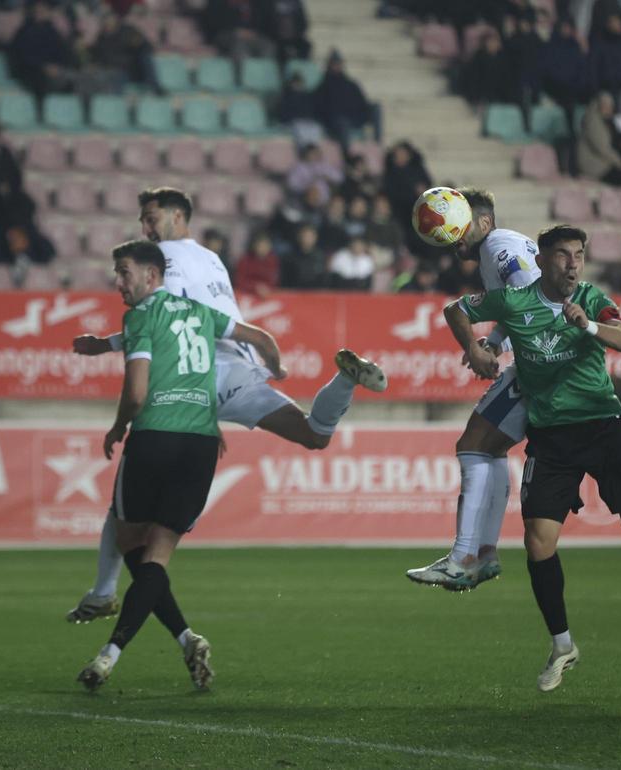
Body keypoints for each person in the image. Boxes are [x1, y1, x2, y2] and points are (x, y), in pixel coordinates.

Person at [66, 188, 387, 623]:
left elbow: (168, 319)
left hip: (195, 378)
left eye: (150, 217)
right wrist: (271, 362)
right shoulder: (211, 257)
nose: (145, 228)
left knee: (125, 504)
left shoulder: (164, 259)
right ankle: (345, 380)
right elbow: (229, 320)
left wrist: (103, 344)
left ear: (177, 216)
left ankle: (104, 592)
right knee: (314, 434)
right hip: (240, 371)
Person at [446, 225, 621, 691]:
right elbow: (455, 309)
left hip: (604, 428)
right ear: (541, 261)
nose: (571, 264)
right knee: (538, 543)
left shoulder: (590, 297)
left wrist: (586, 324)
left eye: (578, 255)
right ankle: (563, 645)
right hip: (551, 437)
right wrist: (474, 346)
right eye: (562, 255)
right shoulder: (514, 301)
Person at [77, 239, 287, 691]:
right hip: (200, 445)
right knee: (158, 557)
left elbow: (135, 393)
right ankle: (180, 641)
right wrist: (277, 371)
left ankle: (111, 638)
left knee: (128, 538)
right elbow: (261, 338)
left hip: (154, 438)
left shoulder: (139, 316)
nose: (119, 282)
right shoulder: (201, 314)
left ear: (152, 275)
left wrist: (117, 428)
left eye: (124, 272)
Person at [404, 189, 539, 592]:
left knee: (473, 446)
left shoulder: (497, 245)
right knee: (487, 447)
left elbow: (532, 296)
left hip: (542, 364)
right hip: (541, 360)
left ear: (483, 222)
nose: (455, 241)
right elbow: (525, 302)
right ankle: (482, 554)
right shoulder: (503, 246)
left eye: (461, 231)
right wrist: (496, 340)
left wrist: (476, 346)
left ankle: (466, 556)